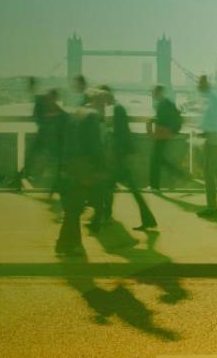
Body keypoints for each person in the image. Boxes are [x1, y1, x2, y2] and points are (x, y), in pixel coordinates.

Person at [98, 86, 157, 231]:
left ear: (108, 95)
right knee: (114, 187)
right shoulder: (117, 109)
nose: (102, 100)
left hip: (119, 157)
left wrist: (116, 155)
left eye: (103, 97)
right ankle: (147, 218)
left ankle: (104, 217)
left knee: (109, 186)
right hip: (120, 155)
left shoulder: (117, 110)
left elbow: (121, 133)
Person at [56, 89, 107, 256]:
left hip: (69, 166)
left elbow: (65, 140)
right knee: (75, 208)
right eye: (102, 102)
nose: (104, 106)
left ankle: (68, 244)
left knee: (73, 208)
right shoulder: (92, 116)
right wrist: (100, 168)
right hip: (82, 168)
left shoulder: (76, 113)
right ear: (97, 102)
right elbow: (94, 146)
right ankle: (67, 244)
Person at [194, 75, 217, 218]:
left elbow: (210, 119)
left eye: (200, 83)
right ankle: (212, 206)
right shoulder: (211, 96)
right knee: (209, 173)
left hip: (211, 139)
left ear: (205, 84)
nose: (197, 85)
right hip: (211, 138)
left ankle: (212, 208)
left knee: (209, 173)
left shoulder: (211, 98)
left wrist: (203, 131)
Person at [147, 85, 183, 190]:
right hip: (165, 134)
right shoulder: (166, 103)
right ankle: (179, 174)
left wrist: (153, 126)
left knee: (155, 160)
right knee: (160, 159)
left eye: (154, 92)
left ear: (158, 92)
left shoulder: (163, 104)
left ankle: (154, 185)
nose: (152, 94)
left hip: (161, 135)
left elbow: (162, 121)